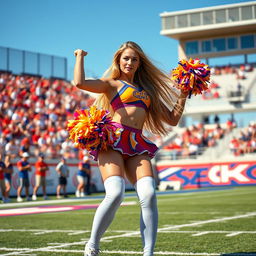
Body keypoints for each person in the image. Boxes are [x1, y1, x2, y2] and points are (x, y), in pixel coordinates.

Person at [73, 41, 188, 256]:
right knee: (115, 194)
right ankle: (92, 245)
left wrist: (183, 95)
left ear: (139, 63)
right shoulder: (112, 84)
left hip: (136, 144)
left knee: (149, 194)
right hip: (112, 141)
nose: (130, 62)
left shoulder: (148, 92)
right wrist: (80, 56)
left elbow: (172, 119)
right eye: (126, 58)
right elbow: (79, 83)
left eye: (134, 59)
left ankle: (148, 253)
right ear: (119, 60)